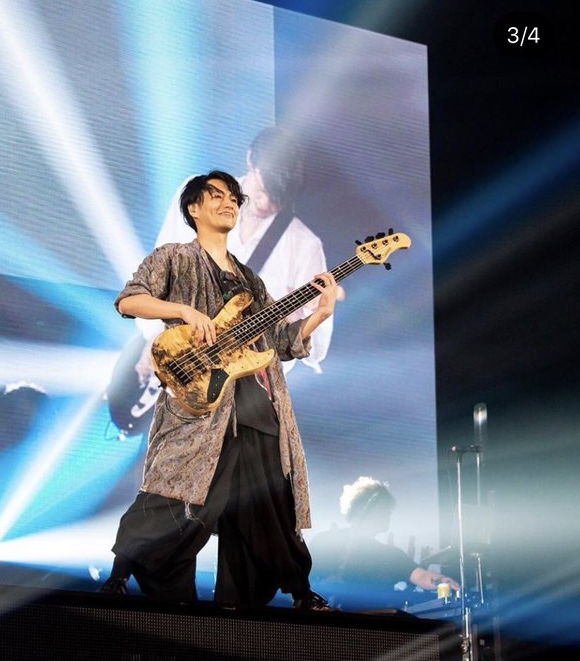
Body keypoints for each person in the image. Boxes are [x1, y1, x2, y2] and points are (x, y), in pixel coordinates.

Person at [100, 170, 338, 610]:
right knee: (172, 495)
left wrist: (319, 314)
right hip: (200, 402)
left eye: (233, 198)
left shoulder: (251, 281)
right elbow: (129, 300)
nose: (229, 203)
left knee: (271, 502)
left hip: (256, 403)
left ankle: (296, 593)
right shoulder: (175, 257)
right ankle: (120, 576)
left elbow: (280, 342)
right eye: (217, 196)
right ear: (193, 208)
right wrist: (184, 311)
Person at [120, 128, 335, 428]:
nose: (264, 204)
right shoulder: (198, 199)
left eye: (276, 201)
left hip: (244, 396)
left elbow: (315, 350)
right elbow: (158, 277)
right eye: (261, 191)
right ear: (250, 159)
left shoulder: (303, 245)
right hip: (172, 355)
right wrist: (155, 341)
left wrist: (315, 314)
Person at [310, 477, 459, 611]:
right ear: (363, 509)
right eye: (384, 510)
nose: (388, 516)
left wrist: (441, 580)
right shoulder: (326, 542)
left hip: (376, 627)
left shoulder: (390, 554)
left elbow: (420, 576)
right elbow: (304, 581)